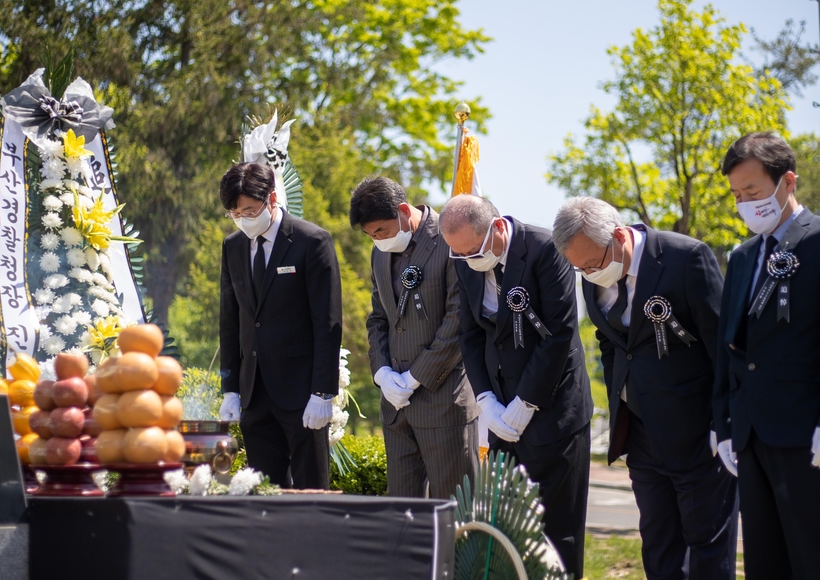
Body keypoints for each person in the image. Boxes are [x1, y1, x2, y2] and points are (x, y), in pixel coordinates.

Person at [553, 196, 738, 580]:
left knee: (706, 546)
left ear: (620, 237)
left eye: (592, 264)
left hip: (698, 433)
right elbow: (610, 343)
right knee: (657, 543)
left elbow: (724, 348)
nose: (588, 274)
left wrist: (726, 424)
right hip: (639, 433)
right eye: (579, 269)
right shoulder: (591, 279)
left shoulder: (685, 258)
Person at [713, 132, 820, 579]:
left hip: (806, 430)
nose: (745, 203)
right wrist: (723, 422)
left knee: (816, 558)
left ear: (788, 182)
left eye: (754, 192)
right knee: (765, 560)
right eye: (737, 195)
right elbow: (731, 348)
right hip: (750, 432)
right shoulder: (742, 257)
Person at [440, 194, 592, 579]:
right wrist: (486, 398)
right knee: (509, 525)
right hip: (502, 415)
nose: (470, 261)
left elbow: (559, 334)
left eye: (474, 250)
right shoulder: (466, 260)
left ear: (495, 227)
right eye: (460, 256)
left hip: (554, 409)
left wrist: (527, 402)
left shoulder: (544, 249)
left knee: (558, 530)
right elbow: (470, 335)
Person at [349, 176, 479, 499]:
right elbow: (378, 317)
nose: (378, 240)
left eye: (381, 231)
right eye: (370, 236)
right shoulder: (379, 254)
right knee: (402, 513)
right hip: (396, 407)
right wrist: (382, 373)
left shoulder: (450, 238)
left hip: (443, 403)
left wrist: (414, 377)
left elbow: (458, 319)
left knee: (454, 511)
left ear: (404, 211)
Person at [218, 162, 343, 490]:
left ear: (271, 198)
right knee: (263, 491)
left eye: (249, 210)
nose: (243, 219)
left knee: (310, 489)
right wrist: (230, 387)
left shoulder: (311, 241)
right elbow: (231, 320)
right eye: (234, 213)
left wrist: (322, 391)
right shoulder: (232, 247)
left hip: (301, 391)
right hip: (254, 392)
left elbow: (327, 321)